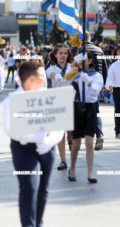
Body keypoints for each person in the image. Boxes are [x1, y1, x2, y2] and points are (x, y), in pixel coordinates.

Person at [3, 61, 64, 227]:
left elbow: (60, 128)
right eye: (42, 77)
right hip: (24, 149)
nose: (45, 80)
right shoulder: (12, 101)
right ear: (31, 79)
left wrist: (48, 142)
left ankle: (39, 223)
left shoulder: (50, 97)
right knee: (29, 187)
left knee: (43, 189)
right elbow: (10, 130)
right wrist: (36, 136)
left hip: (47, 147)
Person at [67, 51, 103, 183]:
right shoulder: (74, 74)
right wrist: (74, 62)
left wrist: (87, 81)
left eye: (85, 60)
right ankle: (72, 169)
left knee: (89, 141)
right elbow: (66, 77)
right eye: (80, 60)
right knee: (76, 143)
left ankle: (90, 173)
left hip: (90, 108)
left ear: (90, 61)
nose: (82, 63)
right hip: (77, 107)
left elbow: (95, 91)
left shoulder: (97, 75)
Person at [46, 43, 73, 171]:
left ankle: (73, 155)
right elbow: (55, 78)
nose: (63, 55)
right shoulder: (51, 69)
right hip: (58, 101)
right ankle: (63, 160)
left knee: (71, 133)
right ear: (55, 55)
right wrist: (61, 77)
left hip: (71, 100)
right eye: (61, 53)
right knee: (60, 133)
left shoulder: (73, 68)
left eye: (65, 53)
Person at [85, 32, 108, 151]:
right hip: (97, 83)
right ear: (90, 38)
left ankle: (78, 137)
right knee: (95, 110)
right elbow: (105, 68)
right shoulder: (99, 50)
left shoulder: (78, 49)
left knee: (80, 111)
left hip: (82, 84)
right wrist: (103, 85)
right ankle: (99, 135)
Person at [105, 44, 120, 138]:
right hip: (118, 89)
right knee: (118, 110)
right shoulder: (114, 66)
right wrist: (109, 85)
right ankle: (118, 130)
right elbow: (109, 78)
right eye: (118, 51)